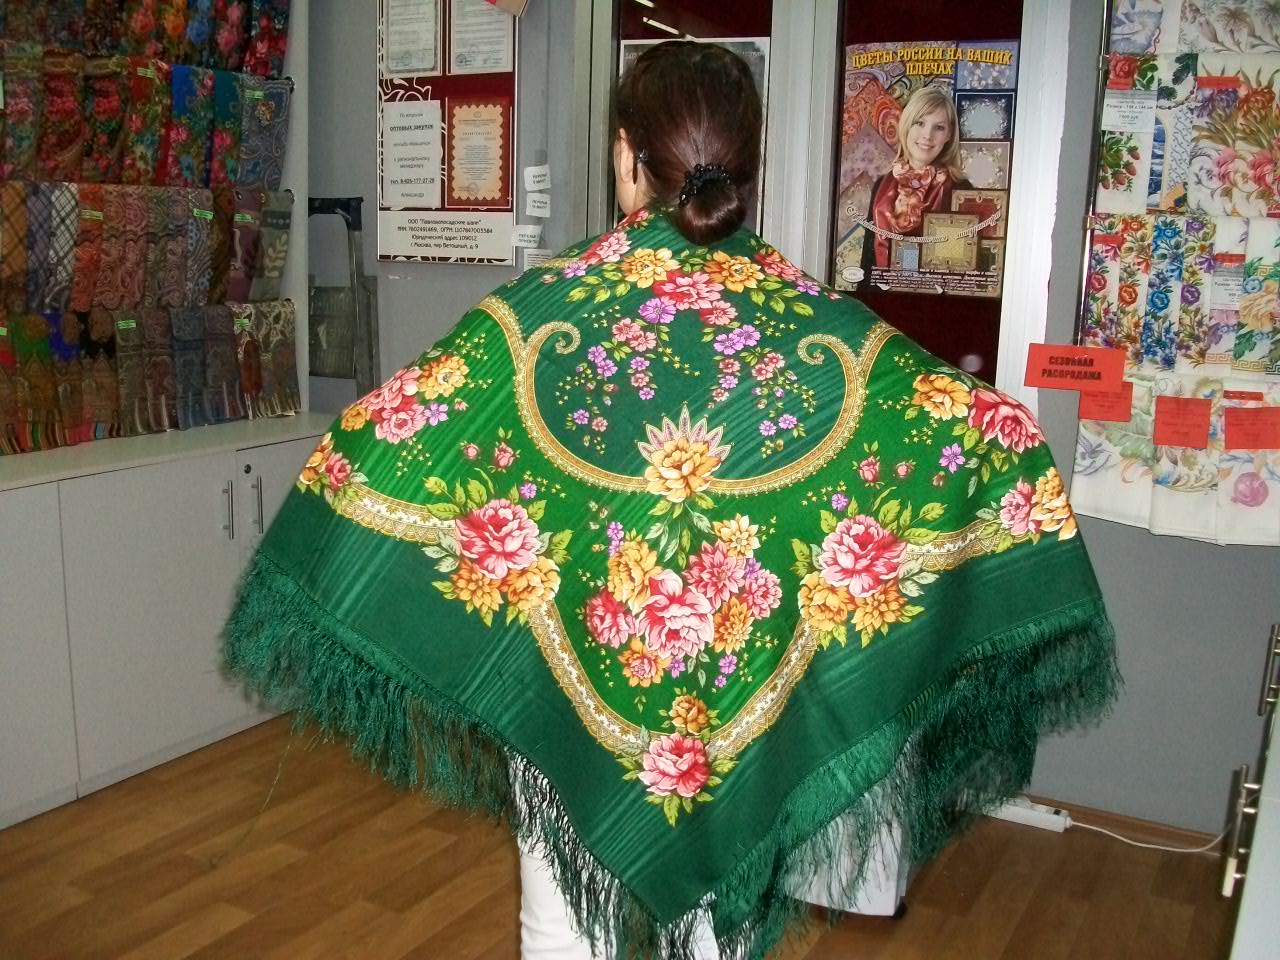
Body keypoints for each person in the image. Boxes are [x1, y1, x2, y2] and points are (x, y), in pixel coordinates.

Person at [225, 42, 1117, 960]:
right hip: (746, 692)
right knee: (721, 931)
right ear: (750, 166)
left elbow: (378, 437)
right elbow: (993, 433)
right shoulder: (827, 330)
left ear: (626, 157)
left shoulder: (537, 315)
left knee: (561, 929)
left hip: (571, 688)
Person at [862, 84, 970, 273]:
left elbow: (965, 271)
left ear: (949, 135)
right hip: (882, 291)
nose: (927, 135)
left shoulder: (961, 189)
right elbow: (867, 265)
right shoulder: (882, 186)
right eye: (920, 123)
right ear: (906, 125)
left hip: (936, 291)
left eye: (939, 127)